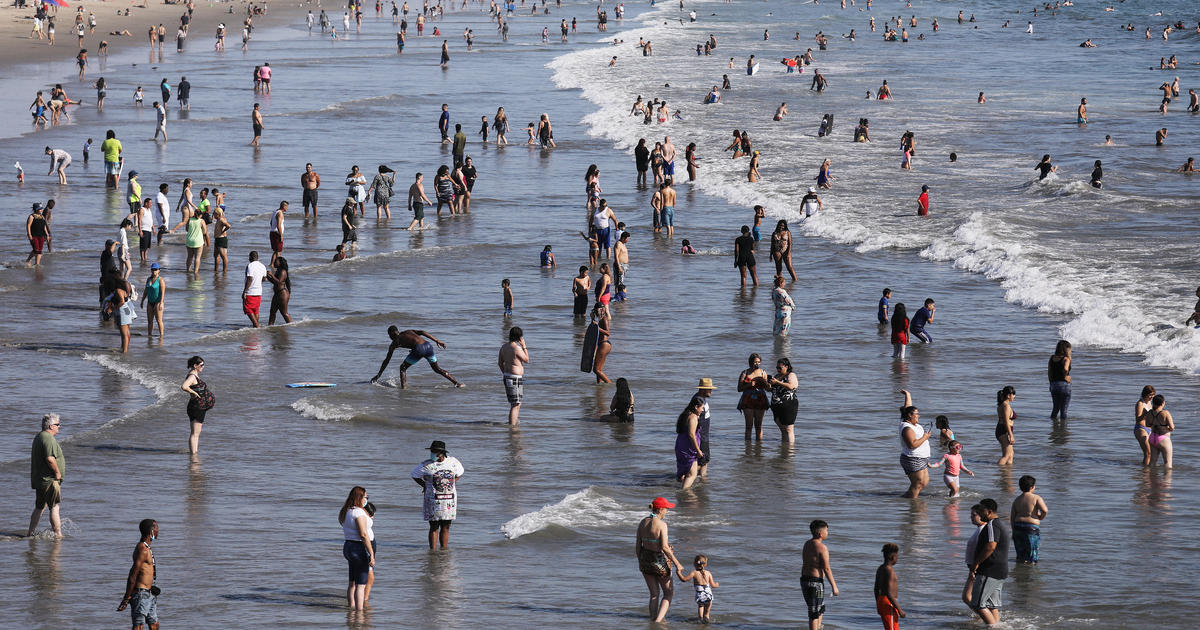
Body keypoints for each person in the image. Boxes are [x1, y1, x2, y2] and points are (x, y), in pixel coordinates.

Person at [636, 497, 682, 622]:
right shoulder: (662, 525)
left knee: (654, 594)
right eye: (666, 508)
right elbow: (664, 547)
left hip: (645, 560)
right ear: (660, 509)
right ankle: (658, 622)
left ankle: (652, 618)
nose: (667, 511)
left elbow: (638, 546)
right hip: (660, 561)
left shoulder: (642, 522)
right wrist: (678, 564)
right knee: (668, 593)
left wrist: (641, 561)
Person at [412, 440, 464, 549]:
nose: (432, 453)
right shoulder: (426, 465)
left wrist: (452, 483)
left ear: (441, 453)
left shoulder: (453, 462)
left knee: (446, 526)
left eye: (434, 451)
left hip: (449, 500)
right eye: (431, 451)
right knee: (434, 526)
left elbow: (460, 473)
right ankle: (433, 551)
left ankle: (444, 551)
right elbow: (414, 475)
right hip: (432, 500)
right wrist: (424, 485)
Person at [371, 326, 462, 388]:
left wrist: (378, 375)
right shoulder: (408, 331)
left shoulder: (395, 342)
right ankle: (457, 383)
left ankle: (404, 388)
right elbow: (422, 332)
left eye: (389, 335)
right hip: (428, 346)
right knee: (437, 369)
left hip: (419, 349)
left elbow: (387, 360)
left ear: (391, 334)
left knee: (403, 368)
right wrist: (437, 341)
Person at [967, 499, 1009, 626]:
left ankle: (993, 628)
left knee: (978, 604)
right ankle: (997, 626)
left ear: (989, 511)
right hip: (999, 571)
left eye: (981, 510)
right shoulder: (998, 524)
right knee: (991, 605)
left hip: (990, 571)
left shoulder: (992, 525)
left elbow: (991, 546)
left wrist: (976, 564)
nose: (980, 513)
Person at [117, 519, 160, 629]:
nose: (158, 531)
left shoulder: (147, 548)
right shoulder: (142, 549)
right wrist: (126, 598)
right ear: (151, 531)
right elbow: (133, 574)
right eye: (156, 528)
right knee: (138, 626)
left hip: (150, 594)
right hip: (141, 594)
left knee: (154, 624)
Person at [28, 414, 65, 538]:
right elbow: (50, 459)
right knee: (54, 507)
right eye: (57, 424)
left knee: (39, 507)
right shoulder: (48, 438)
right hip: (49, 480)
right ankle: (58, 534)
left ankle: (30, 533)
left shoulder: (39, 437)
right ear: (51, 426)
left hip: (40, 480)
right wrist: (57, 473)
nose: (59, 427)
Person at [338, 486, 374, 610]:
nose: (366, 499)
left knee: (352, 582)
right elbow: (363, 534)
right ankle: (359, 612)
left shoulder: (346, 510)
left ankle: (351, 609)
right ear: (360, 497)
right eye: (366, 497)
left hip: (348, 546)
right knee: (361, 585)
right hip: (358, 547)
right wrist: (371, 553)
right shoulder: (358, 512)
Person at [801, 520, 839, 630]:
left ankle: (818, 628)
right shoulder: (822, 547)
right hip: (815, 582)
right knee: (814, 612)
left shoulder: (807, 544)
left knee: (820, 607)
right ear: (820, 534)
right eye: (826, 530)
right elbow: (826, 568)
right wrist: (834, 586)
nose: (828, 533)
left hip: (804, 580)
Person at [898, 390, 931, 498]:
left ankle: (906, 499)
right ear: (910, 415)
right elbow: (912, 445)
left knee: (924, 482)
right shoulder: (907, 428)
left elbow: (908, 407)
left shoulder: (911, 422)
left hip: (922, 457)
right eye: (916, 414)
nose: (918, 416)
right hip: (912, 458)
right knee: (918, 484)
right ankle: (914, 504)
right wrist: (925, 437)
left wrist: (908, 395)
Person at [1011, 475, 1049, 564]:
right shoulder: (1036, 498)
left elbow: (1012, 517)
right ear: (1032, 487)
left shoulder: (1017, 499)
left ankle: (1020, 570)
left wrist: (1013, 530)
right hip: (1030, 528)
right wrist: (1041, 517)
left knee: (1020, 554)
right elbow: (1045, 510)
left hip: (1017, 527)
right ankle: (1031, 570)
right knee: (1032, 555)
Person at [179, 356, 213, 455]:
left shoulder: (195, 375)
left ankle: (194, 453)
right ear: (195, 365)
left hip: (198, 407)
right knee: (195, 434)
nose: (203, 367)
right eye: (201, 365)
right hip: (196, 407)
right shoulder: (192, 376)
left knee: (196, 433)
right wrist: (193, 393)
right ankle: (193, 455)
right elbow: (184, 386)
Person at [497, 326, 529, 425]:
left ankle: (513, 423)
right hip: (514, 378)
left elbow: (500, 363)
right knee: (516, 404)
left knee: (515, 403)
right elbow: (527, 360)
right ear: (519, 337)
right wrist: (524, 346)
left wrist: (505, 373)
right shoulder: (516, 348)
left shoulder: (503, 347)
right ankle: (512, 426)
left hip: (507, 376)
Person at [676, 555, 719, 624]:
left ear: (694, 564)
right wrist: (717, 584)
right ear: (705, 564)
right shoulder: (708, 573)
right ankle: (706, 622)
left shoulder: (694, 572)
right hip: (708, 595)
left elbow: (684, 579)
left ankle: (700, 621)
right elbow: (713, 585)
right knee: (706, 613)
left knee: (701, 607)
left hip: (700, 596)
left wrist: (678, 572)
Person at [736, 353, 770, 440]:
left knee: (759, 426)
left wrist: (768, 384)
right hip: (747, 400)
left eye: (758, 362)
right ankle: (748, 446)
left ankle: (759, 446)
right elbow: (739, 388)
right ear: (750, 362)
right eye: (755, 362)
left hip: (760, 399)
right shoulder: (745, 373)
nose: (757, 364)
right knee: (749, 425)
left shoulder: (763, 372)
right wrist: (749, 385)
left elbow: (767, 389)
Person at [675, 396, 704, 489]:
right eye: (702, 408)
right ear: (696, 407)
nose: (703, 410)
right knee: (692, 474)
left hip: (681, 445)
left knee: (685, 472)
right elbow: (691, 435)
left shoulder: (685, 414)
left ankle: (682, 490)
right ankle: (684, 493)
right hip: (688, 448)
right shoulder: (693, 417)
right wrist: (698, 450)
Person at [874, 543, 905, 630]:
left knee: (892, 627)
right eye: (897, 556)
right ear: (893, 557)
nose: (897, 559)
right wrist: (899, 609)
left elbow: (876, 588)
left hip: (881, 600)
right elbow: (888, 592)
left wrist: (878, 603)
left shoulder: (880, 568)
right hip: (889, 602)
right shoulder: (890, 570)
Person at [769, 357, 798, 443]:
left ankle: (790, 448)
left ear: (786, 367)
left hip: (788, 405)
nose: (778, 369)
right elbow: (770, 389)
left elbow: (791, 386)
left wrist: (777, 382)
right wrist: (767, 383)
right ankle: (784, 446)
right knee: (782, 429)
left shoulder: (791, 375)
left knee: (789, 428)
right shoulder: (776, 376)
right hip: (776, 405)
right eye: (777, 367)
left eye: (780, 368)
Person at [1142, 394, 1175, 468]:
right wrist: (1167, 428)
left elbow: (1147, 424)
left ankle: (1149, 474)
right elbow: (1172, 427)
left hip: (1152, 437)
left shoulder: (1149, 413)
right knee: (1168, 463)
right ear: (1163, 403)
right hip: (1163, 438)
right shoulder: (1165, 413)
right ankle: (1167, 476)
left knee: (1152, 462)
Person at [242, 251, 268, 328]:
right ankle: (255, 328)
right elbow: (264, 278)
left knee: (248, 309)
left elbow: (250, 278)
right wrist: (257, 281)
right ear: (257, 257)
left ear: (250, 257)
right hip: (259, 291)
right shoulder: (263, 266)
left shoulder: (250, 266)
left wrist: (245, 291)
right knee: (255, 310)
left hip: (250, 291)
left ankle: (257, 326)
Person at [139, 264, 166, 337]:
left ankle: (161, 336)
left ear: (159, 270)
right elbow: (146, 291)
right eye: (153, 269)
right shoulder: (149, 279)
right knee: (150, 321)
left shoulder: (160, 280)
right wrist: (142, 301)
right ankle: (149, 336)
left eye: (155, 269)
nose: (154, 271)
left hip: (158, 302)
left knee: (159, 320)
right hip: (150, 302)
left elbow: (163, 292)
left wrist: (161, 302)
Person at [1048, 340, 1071, 420]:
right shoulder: (1066, 359)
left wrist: (1051, 384)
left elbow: (1049, 372)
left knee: (1055, 408)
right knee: (1063, 411)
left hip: (1054, 385)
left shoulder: (1052, 358)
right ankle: (1063, 427)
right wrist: (1065, 376)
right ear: (1066, 349)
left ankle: (1053, 425)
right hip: (1064, 386)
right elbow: (1065, 369)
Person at [591, 302, 613, 383]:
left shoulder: (604, 319)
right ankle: (600, 386)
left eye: (596, 311)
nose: (596, 313)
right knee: (599, 370)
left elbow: (608, 333)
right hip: (602, 344)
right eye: (595, 311)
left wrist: (597, 327)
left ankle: (610, 384)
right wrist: (592, 319)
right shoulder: (600, 320)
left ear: (601, 310)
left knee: (596, 370)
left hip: (604, 344)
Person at [266, 257, 291, 325]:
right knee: (272, 312)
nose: (274, 263)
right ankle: (270, 326)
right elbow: (274, 282)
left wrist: (271, 275)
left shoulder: (283, 271)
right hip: (277, 294)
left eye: (275, 261)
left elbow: (279, 282)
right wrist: (267, 276)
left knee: (284, 313)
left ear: (280, 263)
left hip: (282, 294)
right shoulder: (278, 271)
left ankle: (291, 326)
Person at [1134, 385, 1156, 466]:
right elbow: (1138, 419)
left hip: (1150, 429)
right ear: (1145, 394)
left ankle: (1146, 468)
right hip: (1141, 429)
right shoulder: (1140, 403)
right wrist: (1145, 414)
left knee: (1151, 453)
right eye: (1150, 395)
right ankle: (1146, 470)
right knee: (1148, 453)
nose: (1152, 397)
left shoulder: (1150, 403)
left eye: (1153, 395)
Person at [996, 386, 1017, 466]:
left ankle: (1007, 472)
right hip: (1004, 430)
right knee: (1007, 455)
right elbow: (1006, 422)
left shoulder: (1003, 405)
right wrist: (1010, 435)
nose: (1014, 396)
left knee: (1010, 454)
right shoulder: (1006, 406)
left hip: (1003, 430)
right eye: (1013, 394)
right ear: (1008, 395)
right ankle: (997, 469)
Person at [268, 201, 286, 265]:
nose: (287, 208)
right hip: (277, 234)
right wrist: (281, 235)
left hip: (272, 232)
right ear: (284, 206)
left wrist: (273, 228)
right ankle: (278, 265)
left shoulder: (275, 212)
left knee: (276, 251)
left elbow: (271, 222)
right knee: (279, 251)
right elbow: (278, 225)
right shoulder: (280, 213)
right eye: (287, 206)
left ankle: (272, 264)